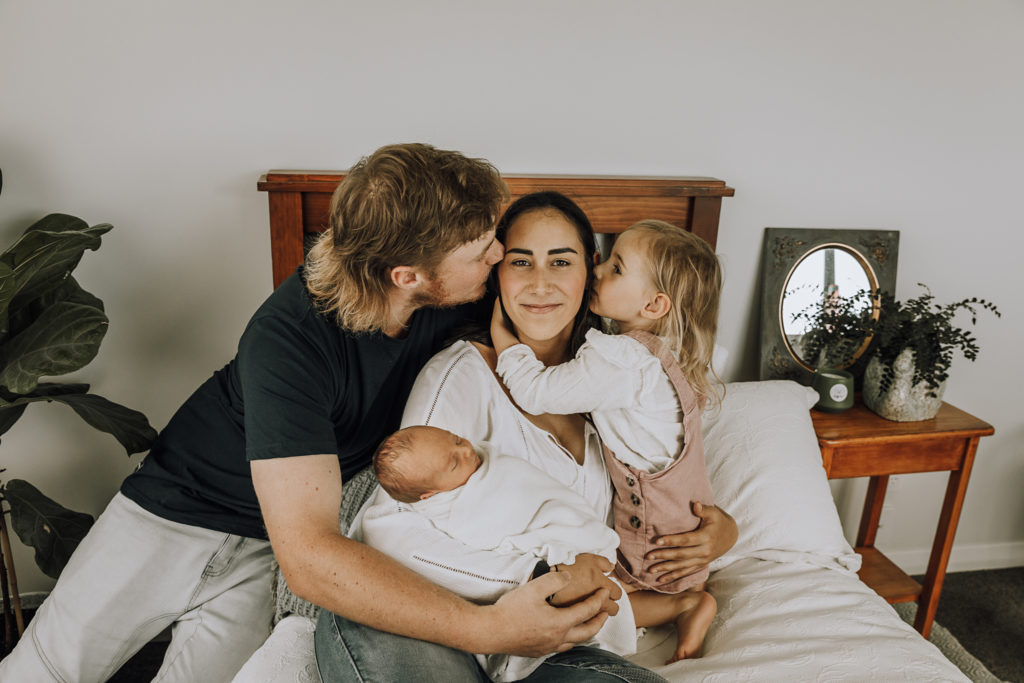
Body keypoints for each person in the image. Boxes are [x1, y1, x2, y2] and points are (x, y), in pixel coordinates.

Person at [0, 144, 609, 683]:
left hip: (270, 549)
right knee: (41, 672)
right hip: (174, 514)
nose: (502, 257)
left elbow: (600, 320)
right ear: (409, 276)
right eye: (483, 250)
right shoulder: (287, 340)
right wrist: (490, 631)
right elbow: (312, 560)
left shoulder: (454, 298)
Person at [326, 191, 738, 681]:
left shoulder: (616, 387)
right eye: (520, 262)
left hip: (558, 643)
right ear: (495, 271)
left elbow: (663, 482)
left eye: (560, 261)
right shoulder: (461, 374)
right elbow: (389, 531)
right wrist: (541, 583)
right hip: (445, 624)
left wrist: (720, 532)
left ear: (593, 269)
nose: (540, 283)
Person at [491, 218, 724, 658]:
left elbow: (537, 391)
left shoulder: (622, 359)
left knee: (594, 598)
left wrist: (505, 341)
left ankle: (685, 604)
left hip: (655, 534)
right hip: (682, 518)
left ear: (655, 304)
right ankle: (690, 598)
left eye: (617, 268)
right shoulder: (667, 356)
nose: (597, 269)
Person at [367, 424, 725, 673]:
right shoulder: (443, 511)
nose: (466, 450)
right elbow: (483, 542)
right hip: (556, 548)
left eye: (456, 439)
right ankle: (683, 603)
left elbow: (529, 489)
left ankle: (681, 601)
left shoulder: (485, 461)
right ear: (429, 495)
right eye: (454, 462)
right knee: (583, 601)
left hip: (566, 527)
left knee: (590, 596)